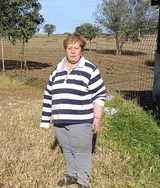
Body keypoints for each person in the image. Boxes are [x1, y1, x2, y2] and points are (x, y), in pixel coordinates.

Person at [40, 34, 106, 188]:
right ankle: (71, 176)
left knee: (82, 152)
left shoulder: (90, 69)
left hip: (80, 121)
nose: (73, 51)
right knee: (67, 150)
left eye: (77, 48)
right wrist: (45, 120)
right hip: (59, 121)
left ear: (82, 50)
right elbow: (49, 94)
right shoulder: (57, 69)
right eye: (70, 48)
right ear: (65, 49)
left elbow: (99, 94)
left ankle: (84, 182)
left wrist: (97, 118)